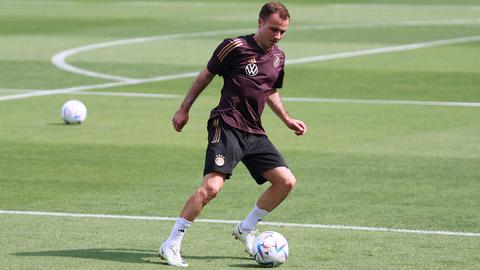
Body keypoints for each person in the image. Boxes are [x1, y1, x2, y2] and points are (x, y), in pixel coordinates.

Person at [159, 1, 307, 267]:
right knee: (212, 188)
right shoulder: (235, 47)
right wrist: (184, 109)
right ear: (260, 22)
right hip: (226, 124)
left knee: (286, 182)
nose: (278, 36)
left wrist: (287, 119)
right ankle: (171, 243)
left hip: (254, 131)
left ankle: (246, 229)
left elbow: (270, 90)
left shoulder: (278, 56)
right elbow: (205, 76)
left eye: (283, 31)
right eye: (274, 29)